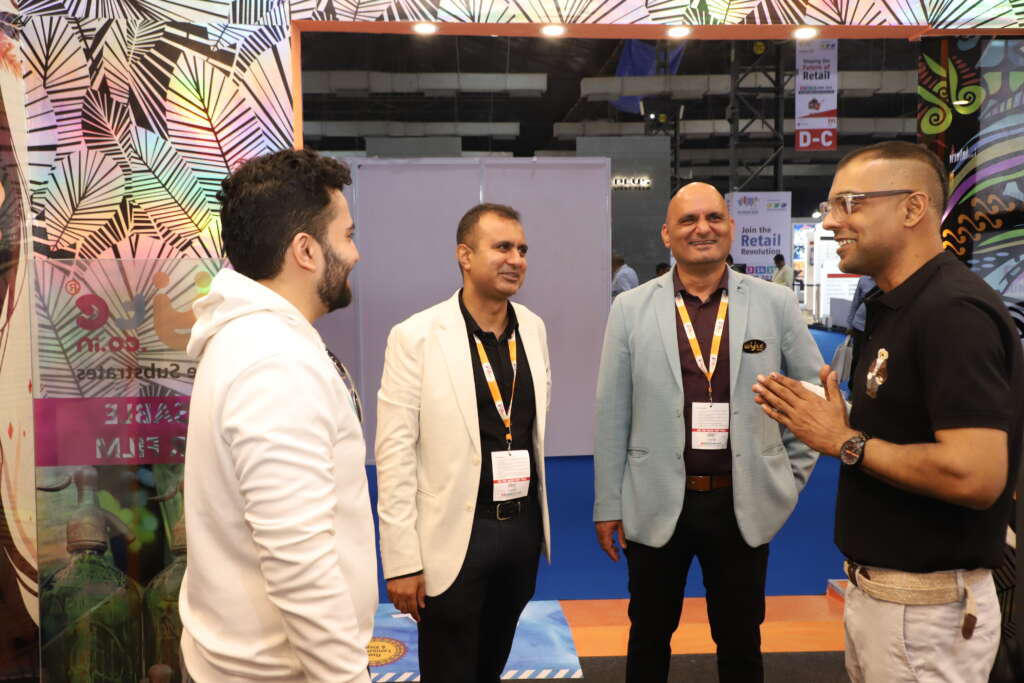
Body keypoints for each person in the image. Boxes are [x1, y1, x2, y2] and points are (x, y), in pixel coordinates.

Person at [752, 141, 1024, 683]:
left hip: (927, 613)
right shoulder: (898, 304)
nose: (832, 221)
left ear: (912, 208)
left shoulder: (952, 312)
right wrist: (848, 427)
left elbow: (976, 475)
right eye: (831, 205)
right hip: (888, 600)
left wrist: (845, 442)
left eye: (849, 203)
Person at [593, 182, 823, 682]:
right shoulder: (629, 308)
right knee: (648, 634)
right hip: (656, 500)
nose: (703, 229)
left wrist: (788, 478)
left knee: (741, 639)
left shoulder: (776, 303)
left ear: (731, 228)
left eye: (714, 218)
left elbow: (814, 396)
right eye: (689, 220)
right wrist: (608, 503)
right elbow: (612, 413)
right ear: (667, 234)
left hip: (741, 500)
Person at [179, 149, 376, 682]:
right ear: (306, 251)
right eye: (347, 235)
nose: (355, 254)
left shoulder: (252, 339)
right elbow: (298, 562)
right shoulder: (276, 362)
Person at [375, 203, 552, 683]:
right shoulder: (415, 336)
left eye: (522, 249)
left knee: (491, 664)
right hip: (453, 536)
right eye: (502, 247)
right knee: (449, 670)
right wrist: (402, 562)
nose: (516, 259)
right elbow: (394, 455)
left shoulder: (532, 328)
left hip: (519, 534)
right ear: (465, 256)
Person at [844, 275, 876, 371]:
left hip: (878, 328)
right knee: (856, 358)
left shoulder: (888, 279)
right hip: (859, 325)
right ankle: (853, 380)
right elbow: (855, 303)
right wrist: (849, 325)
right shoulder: (864, 280)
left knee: (874, 359)